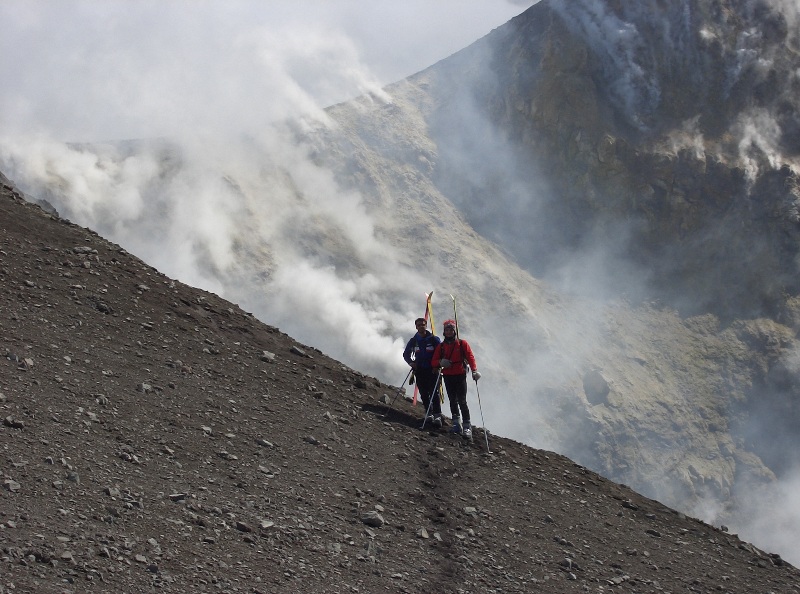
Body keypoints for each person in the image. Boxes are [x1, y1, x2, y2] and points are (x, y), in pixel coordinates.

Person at [431, 319, 481, 439]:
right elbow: (433, 362)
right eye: (446, 330)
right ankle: (456, 424)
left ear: (454, 331)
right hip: (448, 375)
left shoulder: (462, 344)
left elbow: (470, 357)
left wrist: (474, 370)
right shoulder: (441, 347)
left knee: (462, 400)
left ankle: (466, 426)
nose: (448, 332)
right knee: (453, 400)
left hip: (460, 374)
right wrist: (440, 362)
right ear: (444, 332)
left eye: (450, 330)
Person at [403, 317, 443, 428]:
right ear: (416, 327)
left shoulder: (434, 340)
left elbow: (441, 353)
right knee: (424, 393)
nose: (421, 326)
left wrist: (438, 365)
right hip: (419, 370)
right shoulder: (413, 341)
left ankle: (437, 415)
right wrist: (411, 363)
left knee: (434, 392)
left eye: (423, 324)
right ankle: (428, 413)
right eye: (419, 325)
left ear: (426, 325)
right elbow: (406, 354)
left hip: (433, 370)